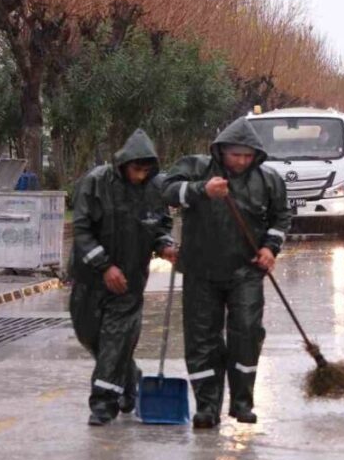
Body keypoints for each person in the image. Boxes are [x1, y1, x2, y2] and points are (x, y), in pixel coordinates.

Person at [162, 117, 290, 428]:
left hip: (245, 271)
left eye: (248, 156)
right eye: (236, 155)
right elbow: (164, 191)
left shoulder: (268, 180)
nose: (242, 162)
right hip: (199, 271)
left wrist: (270, 248)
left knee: (246, 332)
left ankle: (242, 403)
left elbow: (281, 218)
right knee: (202, 338)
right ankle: (207, 405)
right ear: (222, 152)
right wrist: (200, 190)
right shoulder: (196, 168)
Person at [70, 129, 176, 426]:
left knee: (115, 341)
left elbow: (160, 225)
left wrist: (165, 245)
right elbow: (81, 229)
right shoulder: (96, 183)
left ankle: (103, 405)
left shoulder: (155, 188)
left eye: (146, 170)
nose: (140, 176)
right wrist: (105, 267)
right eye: (136, 169)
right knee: (91, 337)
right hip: (89, 278)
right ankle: (131, 377)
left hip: (128, 283)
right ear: (123, 164)